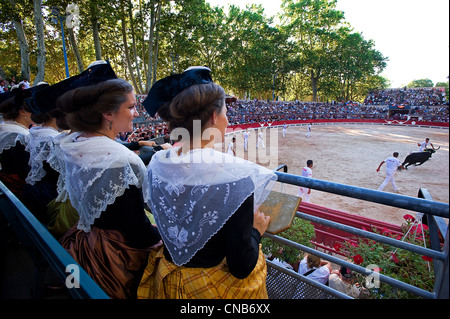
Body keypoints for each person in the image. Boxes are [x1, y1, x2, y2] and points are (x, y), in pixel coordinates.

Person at [138, 66, 277, 299]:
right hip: (209, 288)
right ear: (213, 117)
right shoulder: (236, 176)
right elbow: (241, 266)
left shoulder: (158, 163)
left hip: (167, 276)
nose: (227, 118)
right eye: (225, 111)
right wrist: (256, 230)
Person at [53, 62, 161, 299]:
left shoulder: (74, 142)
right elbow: (136, 230)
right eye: (131, 107)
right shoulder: (119, 159)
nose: (137, 113)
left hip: (84, 242)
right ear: (108, 114)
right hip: (113, 258)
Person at [0, 87, 34, 204]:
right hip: (19, 194)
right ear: (22, 111)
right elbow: (26, 173)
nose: (35, 112)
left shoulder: (6, 129)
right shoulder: (19, 136)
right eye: (32, 109)